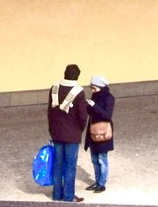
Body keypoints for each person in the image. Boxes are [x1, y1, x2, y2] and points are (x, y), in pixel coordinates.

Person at [47, 64, 88, 203]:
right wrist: (80, 129)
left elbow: (50, 112)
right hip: (72, 134)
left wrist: (51, 129)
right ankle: (68, 196)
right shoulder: (79, 92)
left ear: (64, 73)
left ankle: (56, 194)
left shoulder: (54, 88)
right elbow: (82, 116)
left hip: (57, 132)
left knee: (58, 164)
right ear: (77, 76)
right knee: (70, 166)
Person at [84, 74, 115, 193]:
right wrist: (88, 106)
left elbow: (107, 116)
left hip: (103, 132)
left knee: (102, 159)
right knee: (94, 159)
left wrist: (94, 106)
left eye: (95, 88)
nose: (93, 90)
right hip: (92, 131)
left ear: (101, 87)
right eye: (92, 88)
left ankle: (102, 184)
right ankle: (97, 182)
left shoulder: (109, 98)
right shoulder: (95, 95)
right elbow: (90, 113)